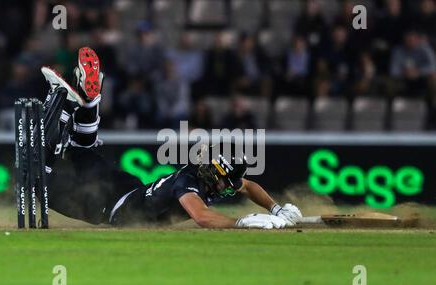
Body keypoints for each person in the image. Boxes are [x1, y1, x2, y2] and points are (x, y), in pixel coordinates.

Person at [39, 47, 303, 230]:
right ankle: (51, 146)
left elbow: (247, 186)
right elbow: (202, 218)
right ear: (214, 173)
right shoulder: (187, 184)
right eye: (226, 182)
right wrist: (241, 223)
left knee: (83, 151)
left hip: (128, 189)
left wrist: (276, 208)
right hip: (111, 209)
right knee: (42, 187)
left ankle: (89, 101)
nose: (228, 188)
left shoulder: (215, 176)